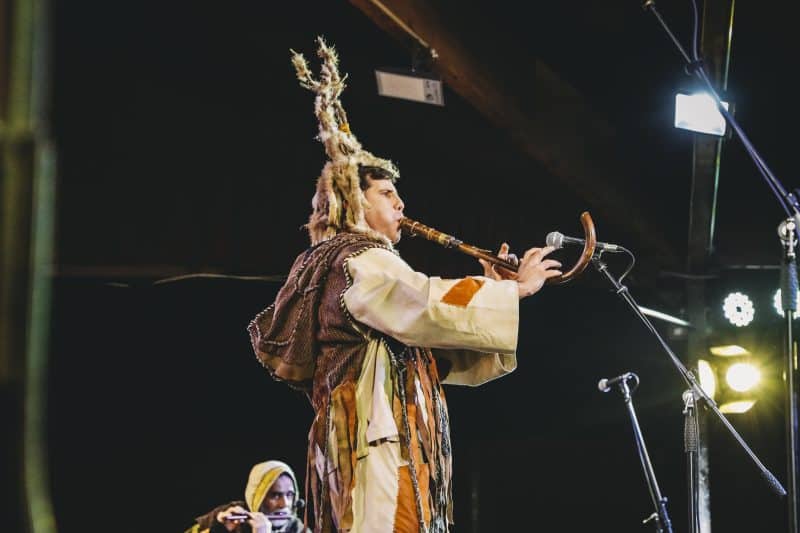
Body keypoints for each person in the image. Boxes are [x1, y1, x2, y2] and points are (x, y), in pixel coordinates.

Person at [247, 37, 562, 533]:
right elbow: (424, 303)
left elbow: (424, 340)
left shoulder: (348, 263)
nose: (400, 206)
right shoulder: (358, 258)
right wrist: (512, 291)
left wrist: (486, 292)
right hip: (376, 443)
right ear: (354, 201)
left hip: (373, 438)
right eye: (388, 194)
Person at [186, 460, 310, 533]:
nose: (285, 504)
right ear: (256, 497)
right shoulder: (230, 517)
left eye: (290, 495)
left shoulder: (298, 529)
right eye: (275, 495)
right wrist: (218, 530)